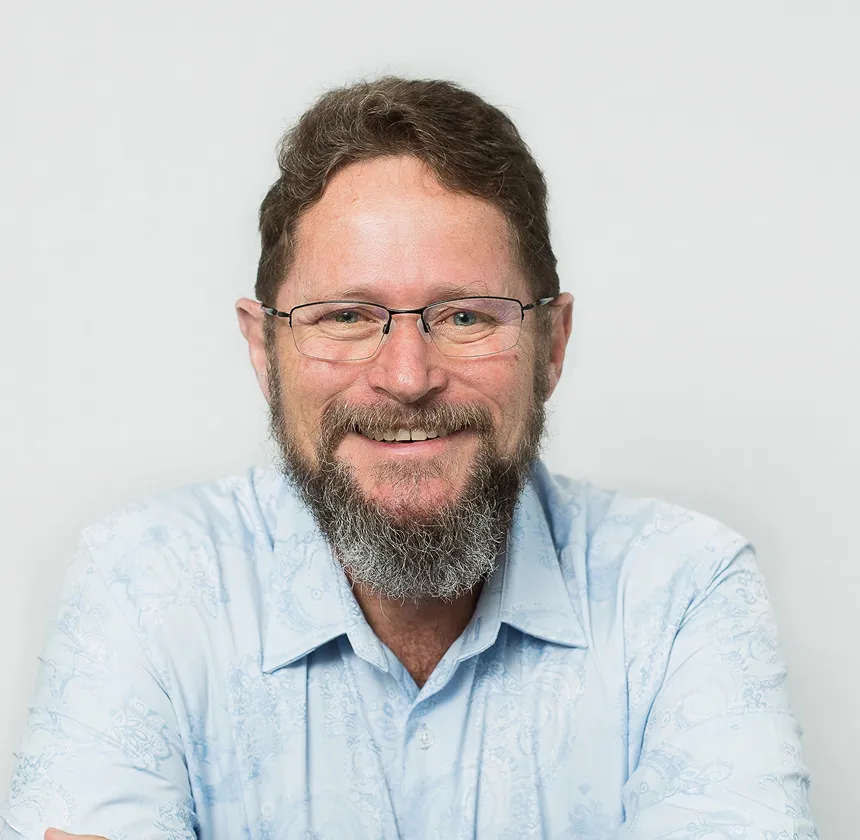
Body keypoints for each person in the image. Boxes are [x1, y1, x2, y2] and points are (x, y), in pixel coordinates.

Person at [1, 77, 817, 840]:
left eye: (465, 317)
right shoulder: (145, 582)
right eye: (346, 316)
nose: (406, 377)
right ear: (263, 350)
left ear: (551, 344)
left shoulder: (679, 590)